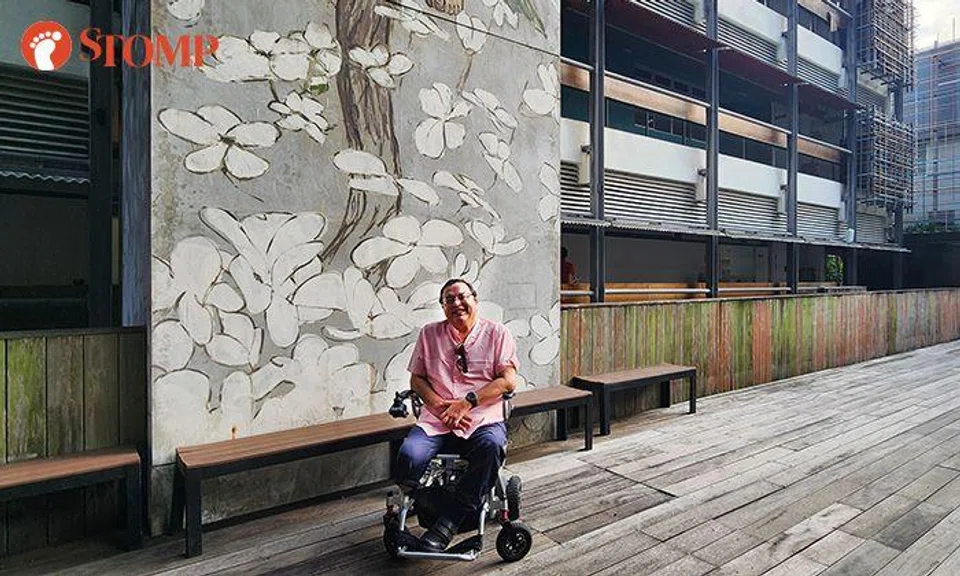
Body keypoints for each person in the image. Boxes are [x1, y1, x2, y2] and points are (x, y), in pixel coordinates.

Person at [393, 278, 519, 552]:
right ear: (442, 306)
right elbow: (417, 380)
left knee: (491, 448)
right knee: (408, 456)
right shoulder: (429, 334)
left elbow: (509, 382)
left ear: (475, 299)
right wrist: (439, 406)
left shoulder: (497, 333)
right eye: (449, 300)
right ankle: (426, 504)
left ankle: (447, 522)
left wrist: (466, 403)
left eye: (462, 297)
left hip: (481, 418)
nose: (456, 303)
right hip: (436, 421)